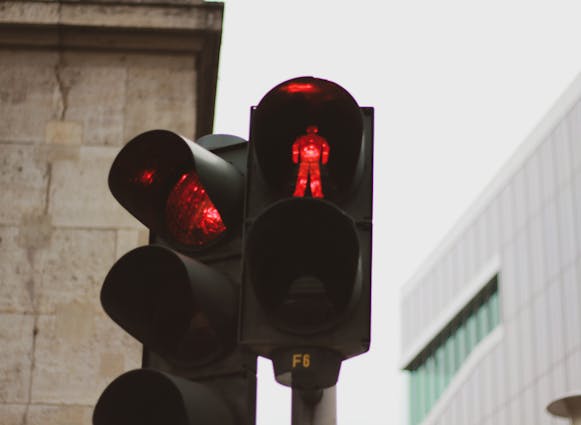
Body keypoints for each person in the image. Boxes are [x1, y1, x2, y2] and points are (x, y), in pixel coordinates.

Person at [292, 125, 330, 198]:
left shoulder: (302, 138)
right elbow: (326, 148)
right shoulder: (320, 138)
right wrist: (324, 160)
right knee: (315, 179)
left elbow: (295, 146)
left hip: (304, 160)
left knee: (302, 178)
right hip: (314, 160)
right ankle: (317, 195)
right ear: (316, 130)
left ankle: (299, 194)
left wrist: (295, 159)